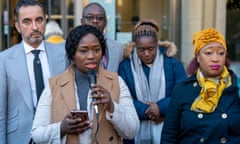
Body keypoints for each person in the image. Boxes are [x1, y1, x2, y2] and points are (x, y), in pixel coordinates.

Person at [31, 24, 139, 144]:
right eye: (83, 51)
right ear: (72, 54)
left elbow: (132, 131)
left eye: (96, 50)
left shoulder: (116, 82)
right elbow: (36, 134)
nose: (91, 56)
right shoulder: (54, 85)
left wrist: (112, 106)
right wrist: (61, 128)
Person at [0, 0, 67, 144]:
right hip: (20, 137)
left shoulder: (63, 54)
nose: (35, 27)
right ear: (18, 27)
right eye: (27, 22)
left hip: (57, 134)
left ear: (45, 21)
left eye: (39, 20)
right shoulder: (4, 60)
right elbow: (1, 112)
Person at [161, 28, 240, 143]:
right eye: (208, 53)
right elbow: (169, 135)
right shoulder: (182, 89)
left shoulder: (236, 87)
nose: (215, 59)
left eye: (221, 53)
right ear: (198, 57)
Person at [118, 20, 187, 144]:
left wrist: (159, 108)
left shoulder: (173, 65)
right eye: (141, 50)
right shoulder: (125, 66)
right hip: (134, 132)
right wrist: (148, 111)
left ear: (157, 45)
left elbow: (182, 94)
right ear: (135, 46)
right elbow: (122, 96)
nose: (146, 54)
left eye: (151, 49)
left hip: (168, 129)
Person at [81, 2, 124, 72]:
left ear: (105, 22)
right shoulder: (74, 47)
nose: (95, 21)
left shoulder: (118, 48)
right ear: (82, 21)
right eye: (90, 17)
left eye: (100, 18)